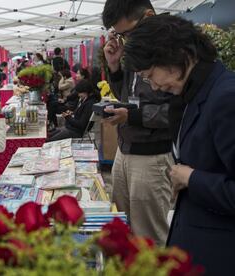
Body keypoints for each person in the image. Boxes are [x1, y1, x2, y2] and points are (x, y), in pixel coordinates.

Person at [124, 14, 235, 276]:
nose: (154, 86)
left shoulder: (226, 97)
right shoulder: (192, 93)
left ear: (175, 56)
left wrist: (192, 178)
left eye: (151, 75)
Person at [102, 0, 174, 245]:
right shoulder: (136, 48)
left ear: (149, 16)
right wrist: (114, 66)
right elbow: (126, 95)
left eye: (127, 33)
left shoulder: (173, 51)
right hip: (126, 149)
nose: (124, 40)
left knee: (149, 237)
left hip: (152, 155)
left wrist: (132, 116)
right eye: (119, 35)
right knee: (121, 227)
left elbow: (176, 112)